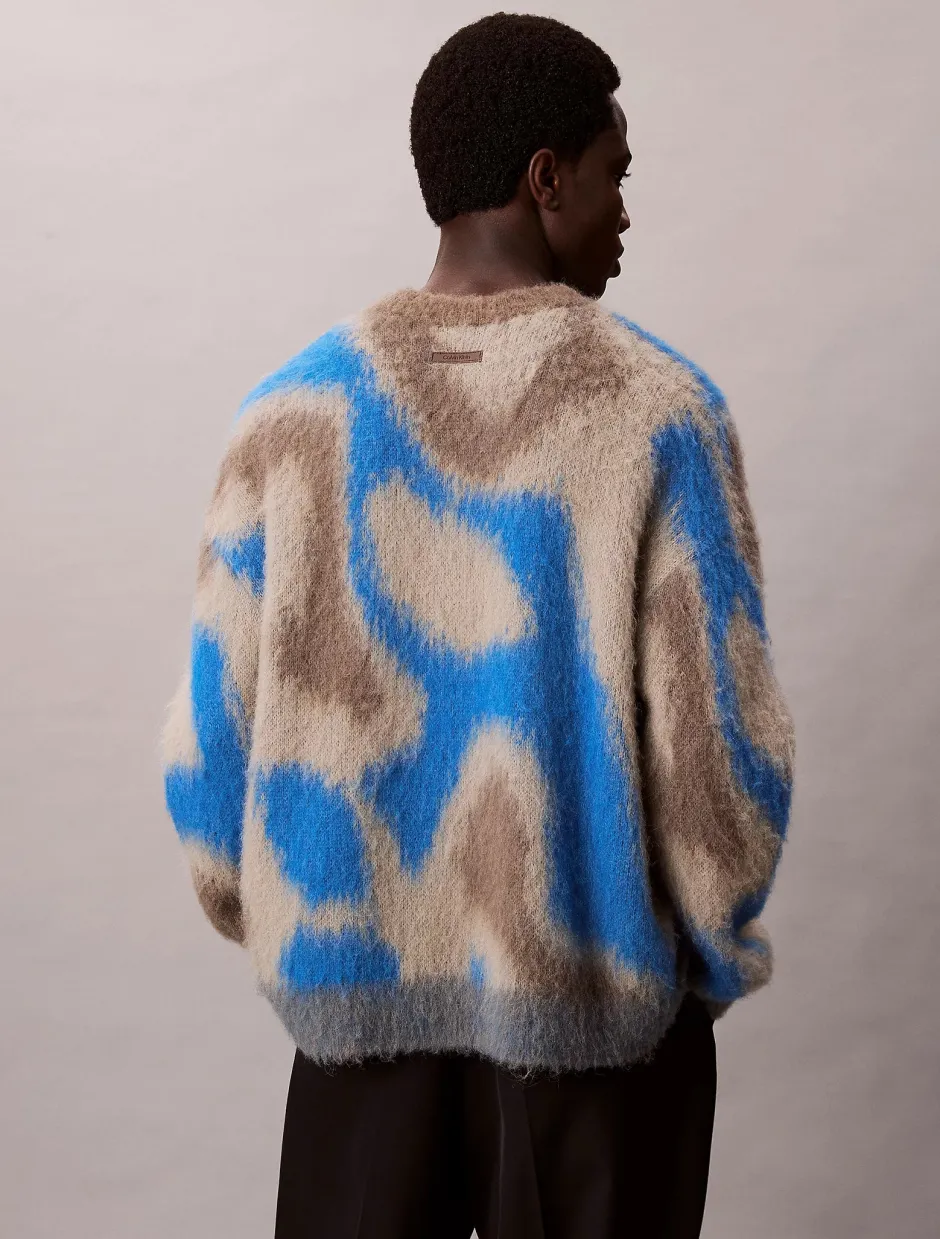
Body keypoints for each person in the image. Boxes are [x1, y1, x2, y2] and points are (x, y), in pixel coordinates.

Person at [159, 12, 796, 1238]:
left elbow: (210, 748)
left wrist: (299, 928)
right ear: (544, 179)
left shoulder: (290, 419)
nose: (625, 212)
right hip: (595, 1039)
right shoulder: (658, 417)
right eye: (613, 173)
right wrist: (703, 956)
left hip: (354, 1025)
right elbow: (720, 758)